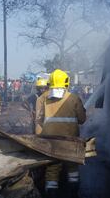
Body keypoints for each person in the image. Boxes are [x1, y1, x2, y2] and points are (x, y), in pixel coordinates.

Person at [35, 69, 86, 198]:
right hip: (70, 141)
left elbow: (39, 120)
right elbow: (82, 119)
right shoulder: (74, 99)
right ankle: (74, 194)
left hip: (51, 141)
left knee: (52, 169)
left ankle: (51, 193)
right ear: (66, 82)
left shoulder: (43, 99)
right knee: (72, 168)